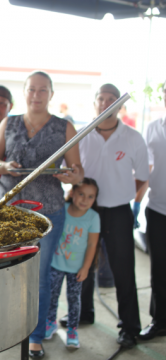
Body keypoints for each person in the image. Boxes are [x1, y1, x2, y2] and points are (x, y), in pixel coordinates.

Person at [0, 71, 84, 358]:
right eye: (32, 89)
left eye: (43, 90)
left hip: (48, 212)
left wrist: (70, 176)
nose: (37, 95)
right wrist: (4, 167)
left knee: (38, 277)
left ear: (51, 94)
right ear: (25, 92)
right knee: (2, 272)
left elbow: (78, 173)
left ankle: (35, 337)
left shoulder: (64, 127)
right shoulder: (10, 122)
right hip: (7, 211)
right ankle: (1, 329)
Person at [60, 84, 149, 349]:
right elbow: (70, 171)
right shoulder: (81, 135)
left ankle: (130, 328)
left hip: (119, 212)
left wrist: (121, 195)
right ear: (95, 103)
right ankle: (83, 313)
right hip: (86, 212)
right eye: (102, 98)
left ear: (119, 105)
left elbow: (142, 177)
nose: (106, 103)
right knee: (81, 265)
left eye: (112, 99)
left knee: (123, 271)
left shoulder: (133, 137)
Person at [45, 178, 100, 349]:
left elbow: (92, 245)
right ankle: (50, 322)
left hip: (76, 269)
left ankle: (72, 330)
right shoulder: (62, 210)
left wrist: (86, 268)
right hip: (56, 264)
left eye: (90, 197)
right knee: (52, 296)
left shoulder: (93, 217)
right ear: (72, 193)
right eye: (81, 194)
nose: (85, 200)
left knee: (74, 299)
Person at [137, 80, 166, 340]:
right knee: (159, 270)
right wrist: (136, 203)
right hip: (157, 209)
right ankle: (160, 321)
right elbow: (145, 169)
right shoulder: (153, 128)